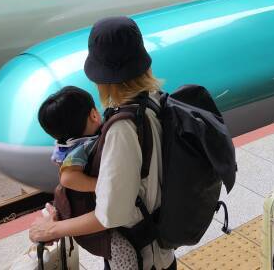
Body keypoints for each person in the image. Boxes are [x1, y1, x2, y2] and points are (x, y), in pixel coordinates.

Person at [30, 17, 176, 270]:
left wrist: (52, 229)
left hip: (143, 259)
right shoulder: (155, 100)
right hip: (161, 250)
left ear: (102, 78)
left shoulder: (122, 129)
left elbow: (111, 214)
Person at [38, 86, 103, 193]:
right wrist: (102, 185)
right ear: (94, 115)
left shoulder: (67, 143)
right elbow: (67, 179)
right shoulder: (80, 150)